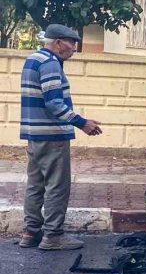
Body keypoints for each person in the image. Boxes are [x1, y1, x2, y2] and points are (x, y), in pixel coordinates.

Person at [19, 24, 103, 250]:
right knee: (57, 185)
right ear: (57, 42)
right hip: (52, 134)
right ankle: (53, 235)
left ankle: (30, 232)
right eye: (71, 42)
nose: (74, 48)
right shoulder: (50, 63)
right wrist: (82, 122)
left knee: (35, 185)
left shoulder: (33, 59)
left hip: (34, 135)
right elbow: (54, 102)